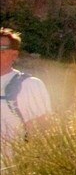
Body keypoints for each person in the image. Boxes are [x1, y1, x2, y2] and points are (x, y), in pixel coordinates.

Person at [1, 27, 53, 159]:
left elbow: (41, 135)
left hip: (12, 169)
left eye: (1, 48)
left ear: (14, 55)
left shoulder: (28, 85)